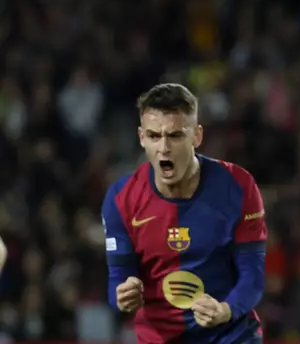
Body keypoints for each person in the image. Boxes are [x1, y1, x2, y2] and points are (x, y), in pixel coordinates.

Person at [102, 83, 267, 344]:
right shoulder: (120, 199)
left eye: (175, 135)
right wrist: (123, 296)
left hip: (231, 334)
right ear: (141, 137)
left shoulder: (238, 186)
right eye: (154, 136)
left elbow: (253, 277)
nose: (164, 148)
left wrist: (225, 310)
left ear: (197, 136)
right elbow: (118, 280)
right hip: (161, 338)